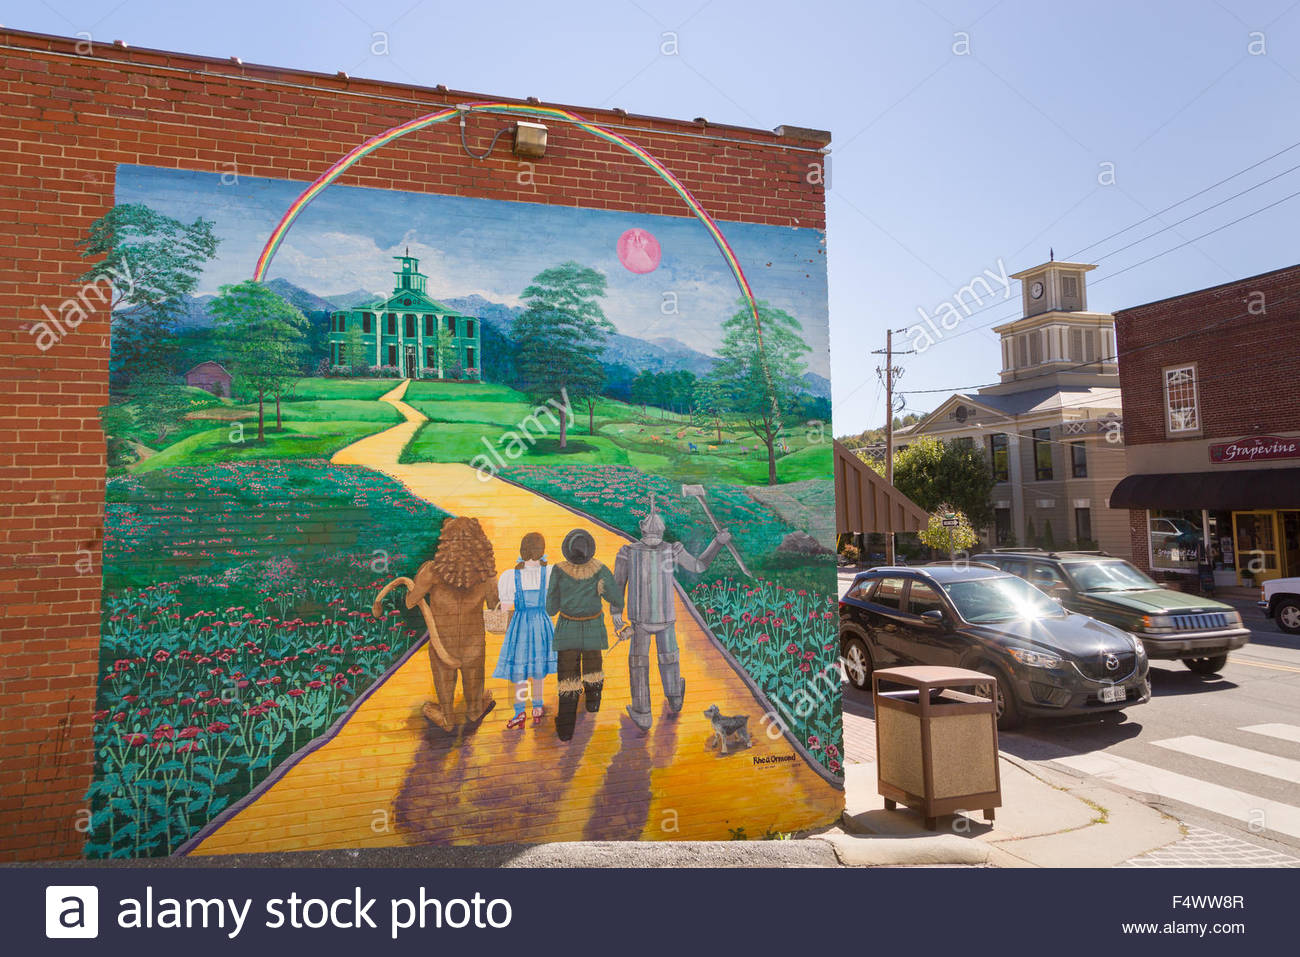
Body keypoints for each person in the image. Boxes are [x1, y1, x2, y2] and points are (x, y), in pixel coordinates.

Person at [612, 493, 730, 732]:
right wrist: (717, 543)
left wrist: (616, 614)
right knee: (669, 658)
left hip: (640, 621)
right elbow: (699, 565)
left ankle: (644, 713)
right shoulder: (670, 550)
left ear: (642, 530)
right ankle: (674, 698)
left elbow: (617, 587)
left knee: (638, 664)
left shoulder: (627, 551)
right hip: (665, 619)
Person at [546, 528, 622, 741]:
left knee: (568, 678)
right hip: (593, 627)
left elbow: (551, 607)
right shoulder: (600, 569)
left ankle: (565, 729)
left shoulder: (559, 571)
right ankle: (593, 704)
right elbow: (616, 598)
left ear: (567, 550)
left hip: (567, 628)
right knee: (593, 666)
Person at [491, 532, 557, 731]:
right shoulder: (550, 572)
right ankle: (537, 709)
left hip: (520, 626)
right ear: (542, 551)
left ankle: (520, 712)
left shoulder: (511, 576)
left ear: (522, 551)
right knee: (539, 670)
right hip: (542, 624)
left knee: (520, 672)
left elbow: (506, 607)